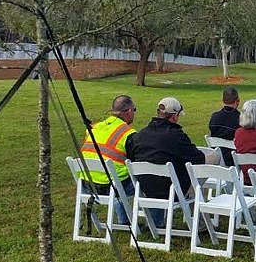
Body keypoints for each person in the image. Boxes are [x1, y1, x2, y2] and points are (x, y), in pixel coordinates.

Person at [125, 97, 205, 228]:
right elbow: (198, 158)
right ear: (174, 116)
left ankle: (158, 220)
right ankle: (199, 221)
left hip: (146, 189)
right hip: (172, 190)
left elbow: (132, 159)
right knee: (203, 167)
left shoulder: (139, 136)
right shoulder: (176, 136)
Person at [78, 94, 137, 224]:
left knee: (117, 175)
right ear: (128, 111)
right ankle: (155, 221)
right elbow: (135, 162)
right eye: (134, 110)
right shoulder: (128, 133)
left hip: (86, 185)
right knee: (141, 178)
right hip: (110, 187)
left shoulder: (94, 128)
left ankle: (125, 220)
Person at [209, 86, 241, 165]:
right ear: (237, 101)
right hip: (234, 160)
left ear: (223, 100)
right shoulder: (241, 119)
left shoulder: (214, 117)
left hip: (218, 158)